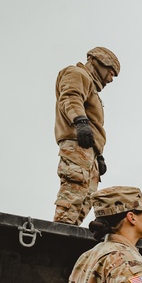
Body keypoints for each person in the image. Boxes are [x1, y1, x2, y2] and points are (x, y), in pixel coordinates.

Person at [53, 46, 121, 225]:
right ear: (98, 62)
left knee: (85, 199)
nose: (111, 79)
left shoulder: (92, 87)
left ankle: (68, 231)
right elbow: (70, 97)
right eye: (111, 72)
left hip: (88, 150)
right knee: (73, 194)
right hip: (77, 144)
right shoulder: (78, 74)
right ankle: (60, 235)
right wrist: (80, 121)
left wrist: (98, 155)